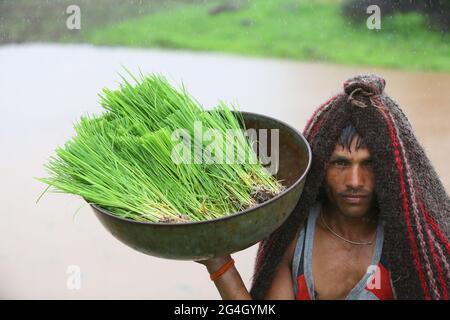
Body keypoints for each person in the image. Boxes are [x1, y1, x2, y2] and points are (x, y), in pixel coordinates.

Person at [197, 74, 450, 300]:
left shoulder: (409, 245)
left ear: (390, 170)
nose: (354, 181)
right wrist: (217, 261)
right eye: (340, 163)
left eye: (369, 163)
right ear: (320, 168)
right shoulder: (295, 238)